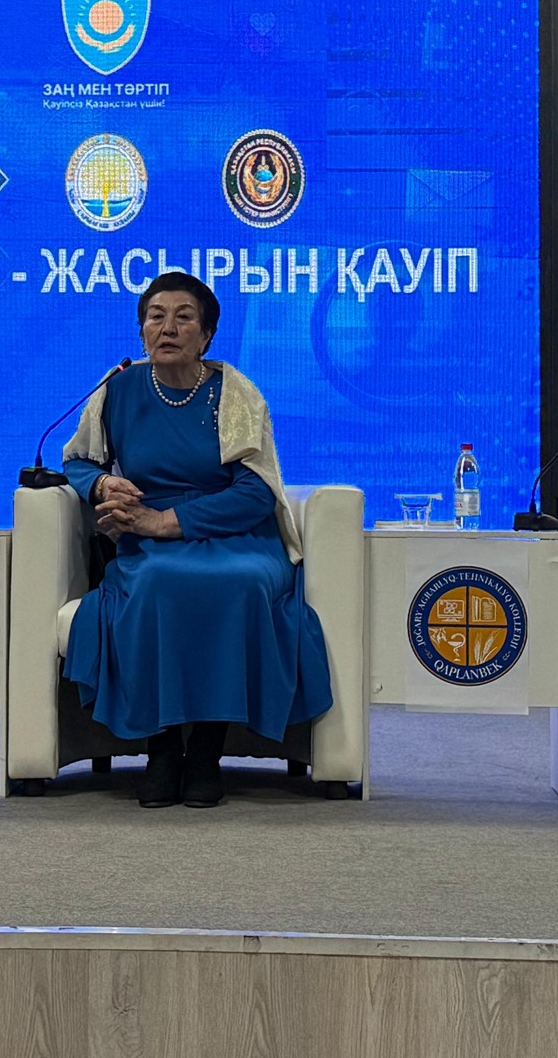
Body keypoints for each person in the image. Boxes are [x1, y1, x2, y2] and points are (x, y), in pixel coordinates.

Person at [61, 272, 333, 809]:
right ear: (141, 331)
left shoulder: (235, 392)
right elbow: (76, 461)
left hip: (234, 531)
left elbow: (256, 493)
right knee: (156, 582)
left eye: (184, 317)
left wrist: (165, 522)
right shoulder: (117, 389)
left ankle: (207, 751)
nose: (168, 328)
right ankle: (162, 750)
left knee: (240, 583)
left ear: (206, 335)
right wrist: (102, 484)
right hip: (149, 539)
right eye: (155, 316)